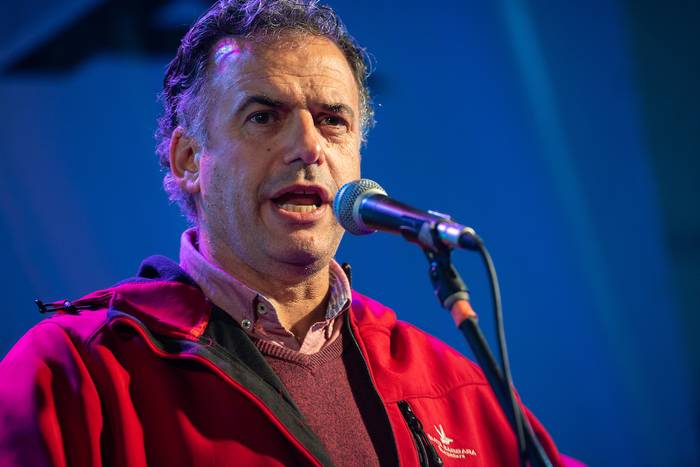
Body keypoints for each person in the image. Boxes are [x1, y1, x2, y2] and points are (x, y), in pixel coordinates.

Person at [0, 1, 570, 465]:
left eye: (333, 121)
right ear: (189, 159)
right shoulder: (74, 375)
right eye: (264, 116)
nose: (309, 148)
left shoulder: (453, 386)